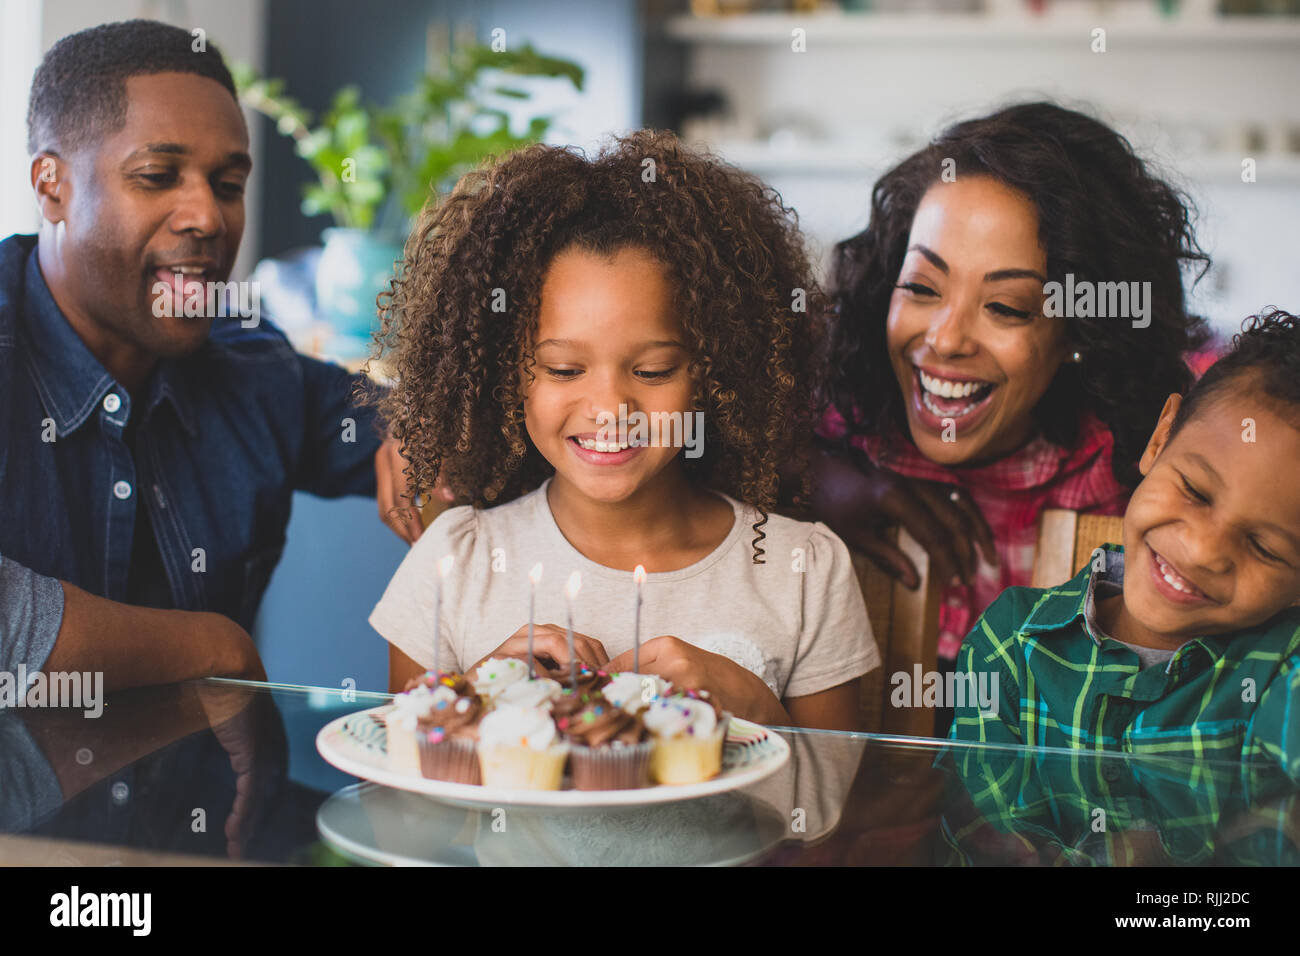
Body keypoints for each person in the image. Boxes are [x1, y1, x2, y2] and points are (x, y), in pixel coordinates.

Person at [367, 131, 879, 730]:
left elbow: (827, 816)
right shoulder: (454, 563)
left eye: (653, 370)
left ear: (716, 371)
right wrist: (473, 699)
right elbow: (399, 793)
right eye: (563, 369)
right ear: (506, 375)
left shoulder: (803, 572)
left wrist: (758, 710)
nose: (611, 407)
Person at [0, 20, 415, 691]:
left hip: (218, 794)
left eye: (227, 184)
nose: (209, 217)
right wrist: (208, 647)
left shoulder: (251, 366)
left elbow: (409, 423)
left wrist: (425, 432)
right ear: (53, 187)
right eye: (158, 176)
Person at [807, 102, 1212, 732]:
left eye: (1006, 307)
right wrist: (808, 478)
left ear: (1080, 331)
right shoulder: (837, 428)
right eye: (920, 288)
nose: (945, 340)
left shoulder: (1132, 481)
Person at [950, 310, 1300, 789]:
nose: (1201, 551)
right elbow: (977, 837)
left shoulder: (1284, 673)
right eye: (1195, 491)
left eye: (1263, 546)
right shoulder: (1009, 648)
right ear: (1160, 439)